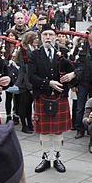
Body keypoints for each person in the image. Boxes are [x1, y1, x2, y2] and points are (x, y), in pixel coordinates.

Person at [28, 24, 76, 173]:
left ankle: (56, 158)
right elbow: (31, 76)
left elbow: (77, 69)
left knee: (57, 131)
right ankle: (46, 158)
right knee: (44, 131)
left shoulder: (64, 52)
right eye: (45, 35)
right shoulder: (35, 54)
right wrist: (48, 83)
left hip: (59, 96)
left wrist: (73, 75)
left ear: (55, 37)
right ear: (41, 37)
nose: (48, 38)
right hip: (42, 95)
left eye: (50, 35)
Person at [72, 24, 92, 139]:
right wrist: (74, 84)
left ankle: (90, 129)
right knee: (80, 107)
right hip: (83, 83)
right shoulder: (81, 48)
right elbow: (75, 66)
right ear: (88, 34)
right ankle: (79, 129)